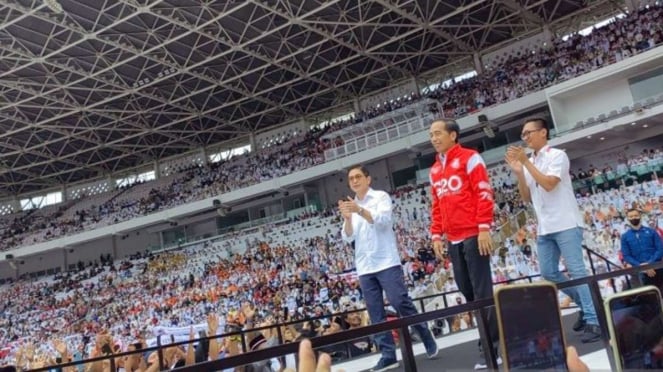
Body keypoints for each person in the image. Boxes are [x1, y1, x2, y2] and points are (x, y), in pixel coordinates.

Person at [505, 117, 600, 343]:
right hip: (545, 225)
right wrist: (519, 172)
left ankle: (593, 319)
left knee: (577, 271)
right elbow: (527, 197)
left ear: (543, 133)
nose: (525, 137)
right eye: (523, 134)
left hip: (565, 222)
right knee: (548, 272)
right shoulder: (530, 161)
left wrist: (526, 165)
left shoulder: (557, 155)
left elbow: (549, 184)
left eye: (529, 133)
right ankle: (588, 305)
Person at [339, 165, 439, 372]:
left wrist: (359, 211)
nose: (355, 181)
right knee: (375, 313)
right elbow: (347, 237)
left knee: (400, 302)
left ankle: (424, 332)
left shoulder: (380, 197)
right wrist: (348, 219)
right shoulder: (352, 207)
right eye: (351, 179)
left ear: (368, 179)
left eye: (358, 177)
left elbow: (383, 221)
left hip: (386, 261)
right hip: (365, 266)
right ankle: (387, 354)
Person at [428, 118, 500, 370]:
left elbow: (483, 192)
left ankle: (490, 348)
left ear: (453, 135)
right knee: (467, 292)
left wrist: (483, 228)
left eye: (438, 133)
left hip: (474, 235)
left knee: (481, 294)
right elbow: (436, 205)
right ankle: (495, 333)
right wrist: (436, 234)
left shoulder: (470, 157)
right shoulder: (435, 170)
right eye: (431, 135)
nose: (434, 138)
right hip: (453, 238)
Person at [620, 208, 663, 287]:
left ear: (640, 216)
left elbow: (660, 250)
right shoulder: (624, 237)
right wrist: (641, 266)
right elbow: (626, 255)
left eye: (636, 215)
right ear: (627, 219)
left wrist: (649, 264)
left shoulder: (652, 232)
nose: (634, 218)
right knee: (648, 297)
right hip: (640, 272)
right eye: (631, 216)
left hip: (657, 268)